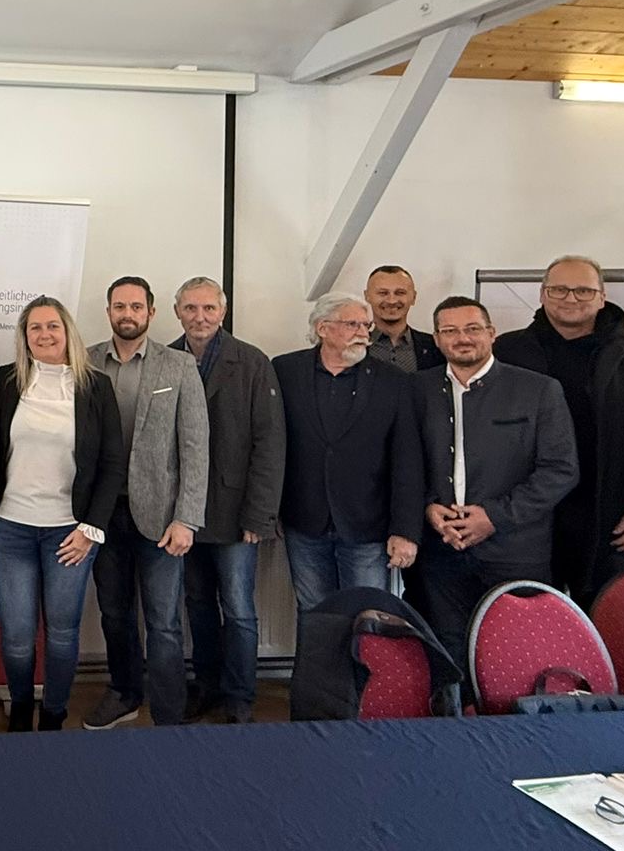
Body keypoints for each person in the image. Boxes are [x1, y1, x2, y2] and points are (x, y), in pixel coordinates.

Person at [492, 256, 624, 605]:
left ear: (602, 297)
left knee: (617, 622)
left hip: (615, 519)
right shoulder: (504, 352)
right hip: (525, 518)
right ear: (542, 294)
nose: (570, 298)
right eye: (559, 289)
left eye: (583, 291)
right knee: (528, 620)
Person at [413, 296, 579, 661]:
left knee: (519, 653)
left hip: (516, 550)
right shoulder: (416, 390)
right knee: (449, 652)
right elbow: (405, 462)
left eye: (472, 328)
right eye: (450, 331)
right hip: (441, 549)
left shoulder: (539, 390)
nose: (462, 338)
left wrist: (494, 516)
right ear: (437, 339)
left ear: (491, 333)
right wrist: (428, 507)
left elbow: (561, 469)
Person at [0, 297, 126, 731]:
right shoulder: (6, 381)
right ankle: (21, 709)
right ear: (24, 336)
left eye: (53, 326)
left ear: (68, 332)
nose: (45, 335)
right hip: (13, 528)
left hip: (70, 533)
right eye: (35, 328)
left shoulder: (95, 386)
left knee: (63, 634)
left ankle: (53, 715)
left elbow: (112, 463)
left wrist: (91, 529)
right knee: (16, 636)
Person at [83, 276, 207, 730]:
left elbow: (195, 446)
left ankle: (169, 712)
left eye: (136, 306)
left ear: (151, 312)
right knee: (114, 614)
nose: (128, 314)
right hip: (101, 514)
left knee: (164, 622)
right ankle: (125, 694)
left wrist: (187, 518)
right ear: (108, 311)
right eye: (120, 306)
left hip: (161, 516)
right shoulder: (86, 362)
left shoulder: (179, 366)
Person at [172, 277, 284, 725]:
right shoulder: (166, 359)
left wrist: (259, 515)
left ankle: (240, 695)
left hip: (237, 513)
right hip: (182, 514)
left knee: (238, 610)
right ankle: (207, 686)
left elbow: (269, 444)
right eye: (190, 308)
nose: (199, 317)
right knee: (197, 605)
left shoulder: (252, 362)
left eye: (208, 308)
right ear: (177, 311)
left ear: (223, 311)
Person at [273, 294, 423, 616]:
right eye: (352, 324)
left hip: (367, 524)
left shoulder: (393, 381)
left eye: (365, 326)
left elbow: (407, 461)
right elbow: (271, 445)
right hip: (304, 521)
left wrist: (405, 530)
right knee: (315, 614)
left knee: (367, 616)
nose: (363, 333)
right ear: (323, 328)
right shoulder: (285, 371)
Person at [364, 266, 442, 373]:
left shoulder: (436, 346)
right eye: (383, 293)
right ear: (367, 296)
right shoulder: (352, 344)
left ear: (413, 297)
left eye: (400, 293)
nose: (391, 301)